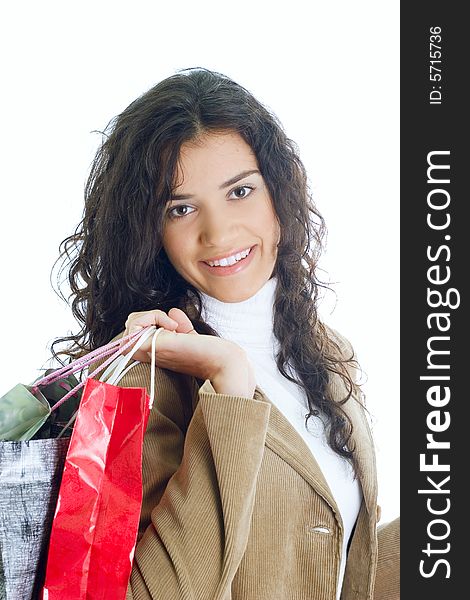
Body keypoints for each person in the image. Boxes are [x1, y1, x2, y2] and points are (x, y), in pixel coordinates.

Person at [54, 67, 399, 600]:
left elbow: (332, 559)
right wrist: (227, 380)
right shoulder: (149, 382)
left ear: (279, 194)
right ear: (150, 231)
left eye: (240, 191)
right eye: (182, 208)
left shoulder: (327, 353)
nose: (218, 233)